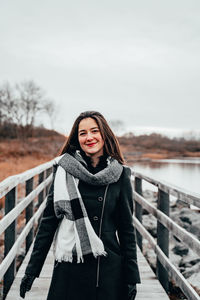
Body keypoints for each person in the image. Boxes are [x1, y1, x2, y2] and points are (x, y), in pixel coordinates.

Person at [20, 111, 141, 300]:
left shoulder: (120, 174)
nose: (89, 137)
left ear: (104, 134)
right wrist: (32, 270)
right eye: (82, 133)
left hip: (108, 269)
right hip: (71, 268)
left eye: (94, 131)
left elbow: (126, 229)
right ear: (77, 138)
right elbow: (48, 223)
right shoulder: (64, 171)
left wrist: (132, 277)